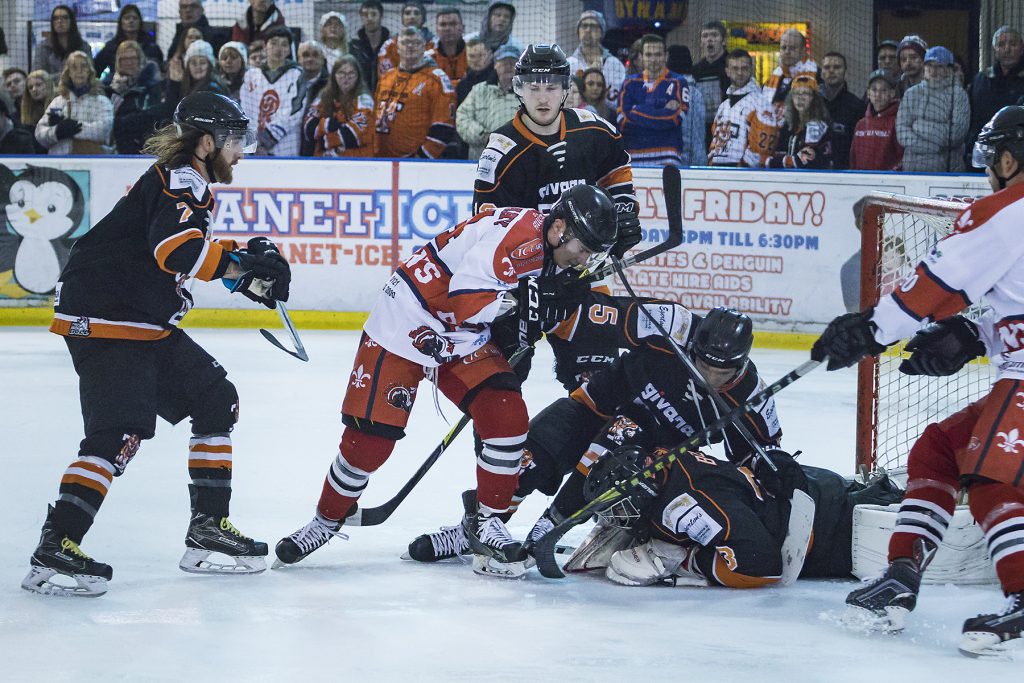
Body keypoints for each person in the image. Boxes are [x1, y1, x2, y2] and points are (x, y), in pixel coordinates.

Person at [274, 184, 619, 577]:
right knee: (368, 444)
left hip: (459, 335)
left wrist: (539, 306)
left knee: (505, 414)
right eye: (584, 248)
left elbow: (509, 307)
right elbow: (466, 299)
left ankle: (486, 522)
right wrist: (525, 304)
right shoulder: (519, 241)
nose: (586, 258)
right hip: (407, 319)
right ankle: (324, 521)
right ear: (559, 229)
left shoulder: (554, 249)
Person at [20, 92, 285, 598]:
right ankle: (55, 548)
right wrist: (240, 268)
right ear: (206, 143)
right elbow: (176, 249)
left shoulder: (183, 178)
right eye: (234, 141)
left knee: (214, 398)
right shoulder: (183, 178)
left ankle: (207, 530)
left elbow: (173, 248)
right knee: (117, 431)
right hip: (108, 317)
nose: (241, 152)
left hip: (137, 318)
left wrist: (245, 271)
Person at [810, 105, 1024, 659]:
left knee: (990, 473)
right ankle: (902, 574)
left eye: (991, 160)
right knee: (939, 449)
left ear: (1007, 158)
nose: (987, 173)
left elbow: (934, 282)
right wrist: (970, 338)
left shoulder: (1006, 211)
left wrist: (870, 331)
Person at [471, 44, 640, 251]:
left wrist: (621, 212)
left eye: (551, 87)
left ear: (565, 89)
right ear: (519, 88)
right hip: (526, 271)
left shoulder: (594, 129)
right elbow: (487, 230)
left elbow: (617, 168)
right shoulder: (500, 153)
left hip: (585, 261)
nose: (543, 98)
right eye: (533, 88)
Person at [373, 27, 454, 159]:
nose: (410, 46)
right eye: (405, 43)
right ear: (397, 48)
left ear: (424, 46)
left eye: (416, 43)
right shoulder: (386, 77)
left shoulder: (437, 80)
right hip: (380, 160)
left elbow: (443, 127)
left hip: (414, 165)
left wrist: (419, 160)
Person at [743, 28, 817, 167]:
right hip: (769, 151)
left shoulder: (814, 79)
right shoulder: (773, 78)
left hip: (797, 153)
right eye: (784, 47)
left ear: (803, 51)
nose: (787, 51)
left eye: (792, 48)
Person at [618, 34, 690, 167]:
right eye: (649, 55)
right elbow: (622, 121)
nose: (653, 59)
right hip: (633, 155)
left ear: (666, 56)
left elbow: (676, 118)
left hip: (668, 155)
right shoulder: (629, 83)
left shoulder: (679, 82)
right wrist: (662, 107)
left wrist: (636, 110)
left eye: (658, 54)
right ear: (641, 57)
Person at [897, 46, 969, 172]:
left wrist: (918, 125)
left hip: (947, 173)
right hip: (911, 172)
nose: (933, 70)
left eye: (939, 66)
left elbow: (955, 135)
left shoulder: (959, 94)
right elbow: (902, 132)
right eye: (929, 65)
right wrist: (933, 148)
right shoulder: (911, 93)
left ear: (949, 69)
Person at [241, 25, 306, 157]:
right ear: (265, 46)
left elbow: (295, 112)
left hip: (285, 148)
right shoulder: (251, 75)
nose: (278, 49)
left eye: (284, 45)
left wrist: (267, 139)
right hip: (255, 149)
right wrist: (252, 145)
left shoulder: (297, 74)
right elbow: (245, 111)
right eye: (274, 43)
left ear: (289, 50)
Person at [35, 52, 112, 156]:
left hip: (91, 162)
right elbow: (39, 133)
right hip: (59, 162)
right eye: (74, 67)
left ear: (89, 71)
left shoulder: (102, 101)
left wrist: (73, 128)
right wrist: (57, 132)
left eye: (83, 66)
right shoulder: (58, 102)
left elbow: (102, 130)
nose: (79, 71)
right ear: (69, 73)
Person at [302, 54, 375, 158]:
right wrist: (329, 124)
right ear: (334, 75)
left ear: (358, 76)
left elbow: (352, 135)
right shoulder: (323, 96)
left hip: (357, 162)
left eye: (351, 73)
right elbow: (308, 128)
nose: (346, 78)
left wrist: (324, 141)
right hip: (324, 162)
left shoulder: (365, 99)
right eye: (341, 73)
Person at [456, 43, 520, 161]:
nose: (508, 66)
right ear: (495, 65)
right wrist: (483, 136)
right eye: (504, 62)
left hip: (518, 160)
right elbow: (462, 118)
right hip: (480, 162)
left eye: (513, 62)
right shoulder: (479, 90)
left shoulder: (529, 93)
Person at [969, 26, 1024, 151]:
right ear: (995, 50)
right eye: (1001, 44)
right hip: (983, 146)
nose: (1007, 49)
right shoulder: (982, 79)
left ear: (1022, 48)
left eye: (1013, 44)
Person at [105, 41, 163, 155]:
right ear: (118, 61)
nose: (129, 62)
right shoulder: (109, 88)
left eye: (133, 58)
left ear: (140, 59)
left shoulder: (152, 84)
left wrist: (124, 121)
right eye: (124, 59)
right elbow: (109, 122)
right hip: (117, 148)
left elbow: (152, 115)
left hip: (147, 146)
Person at [566, 10, 626, 116]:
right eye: (584, 26)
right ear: (578, 31)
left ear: (602, 32)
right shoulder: (569, 64)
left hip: (608, 119)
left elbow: (618, 101)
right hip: (575, 120)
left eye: (593, 26)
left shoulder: (614, 64)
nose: (588, 30)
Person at [766, 74, 832, 169]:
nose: (800, 98)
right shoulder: (790, 126)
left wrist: (768, 161)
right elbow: (778, 152)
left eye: (805, 93)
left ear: (814, 98)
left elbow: (804, 160)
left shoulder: (817, 126)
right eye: (796, 93)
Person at [708, 49, 760, 167]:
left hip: (741, 170)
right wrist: (711, 161)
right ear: (727, 71)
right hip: (718, 167)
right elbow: (715, 137)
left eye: (744, 68)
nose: (740, 73)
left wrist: (743, 166)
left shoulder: (758, 102)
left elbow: (759, 144)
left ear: (751, 70)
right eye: (735, 69)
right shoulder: (723, 106)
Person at [850, 69, 903, 171]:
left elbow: (901, 156)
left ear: (892, 93)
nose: (878, 94)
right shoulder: (860, 124)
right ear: (868, 93)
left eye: (883, 90)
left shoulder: (898, 122)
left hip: (887, 183)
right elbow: (853, 158)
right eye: (874, 90)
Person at [93, 4, 164, 78]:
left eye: (135, 18)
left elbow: (160, 71)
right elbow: (95, 70)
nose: (131, 21)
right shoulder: (111, 47)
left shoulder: (151, 47)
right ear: (121, 22)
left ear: (140, 22)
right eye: (127, 18)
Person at [164, 40, 229, 119]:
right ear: (188, 66)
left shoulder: (212, 89)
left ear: (210, 66)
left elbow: (176, 114)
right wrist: (174, 83)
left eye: (202, 63)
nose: (198, 67)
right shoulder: (188, 84)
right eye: (194, 63)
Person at [820, 52, 863, 170]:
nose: (831, 71)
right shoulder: (812, 102)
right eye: (827, 67)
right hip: (814, 172)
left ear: (845, 71)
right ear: (822, 72)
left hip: (844, 173)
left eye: (837, 67)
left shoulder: (856, 105)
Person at [377, 2, 435, 79]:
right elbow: (385, 77)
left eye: (416, 13)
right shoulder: (389, 45)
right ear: (402, 19)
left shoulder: (435, 44)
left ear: (423, 18)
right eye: (407, 13)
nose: (412, 17)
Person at [692, 21, 730, 139]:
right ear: (701, 42)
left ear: (723, 41)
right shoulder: (696, 70)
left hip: (727, 129)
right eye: (705, 36)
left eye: (714, 35)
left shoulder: (733, 66)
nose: (709, 39)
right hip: (702, 131)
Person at [33, 5, 88, 76]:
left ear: (72, 21)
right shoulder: (43, 48)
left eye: (64, 17)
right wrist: (69, 76)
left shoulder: (83, 47)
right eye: (55, 18)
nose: (59, 21)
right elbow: (38, 76)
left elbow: (88, 74)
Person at [349, 0, 389, 95]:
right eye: (365, 15)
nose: (369, 18)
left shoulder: (391, 46)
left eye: (373, 14)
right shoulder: (353, 47)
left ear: (381, 16)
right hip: (360, 98)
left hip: (386, 97)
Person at [428, 7, 467, 88]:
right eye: (443, 24)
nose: (448, 28)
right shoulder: (428, 58)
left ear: (463, 28)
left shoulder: (475, 55)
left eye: (453, 24)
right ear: (437, 30)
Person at [20, 71, 56, 150]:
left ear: (48, 85)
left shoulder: (59, 105)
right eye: (30, 87)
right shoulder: (28, 113)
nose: (34, 89)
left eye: (38, 85)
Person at [456, 38, 495, 107]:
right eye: (472, 56)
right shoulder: (462, 85)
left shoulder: (499, 80)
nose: (476, 60)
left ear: (490, 55)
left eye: (480, 55)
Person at [297, 40, 328, 109]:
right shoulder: (292, 83)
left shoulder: (331, 84)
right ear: (299, 59)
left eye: (315, 55)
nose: (310, 59)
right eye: (306, 55)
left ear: (323, 60)